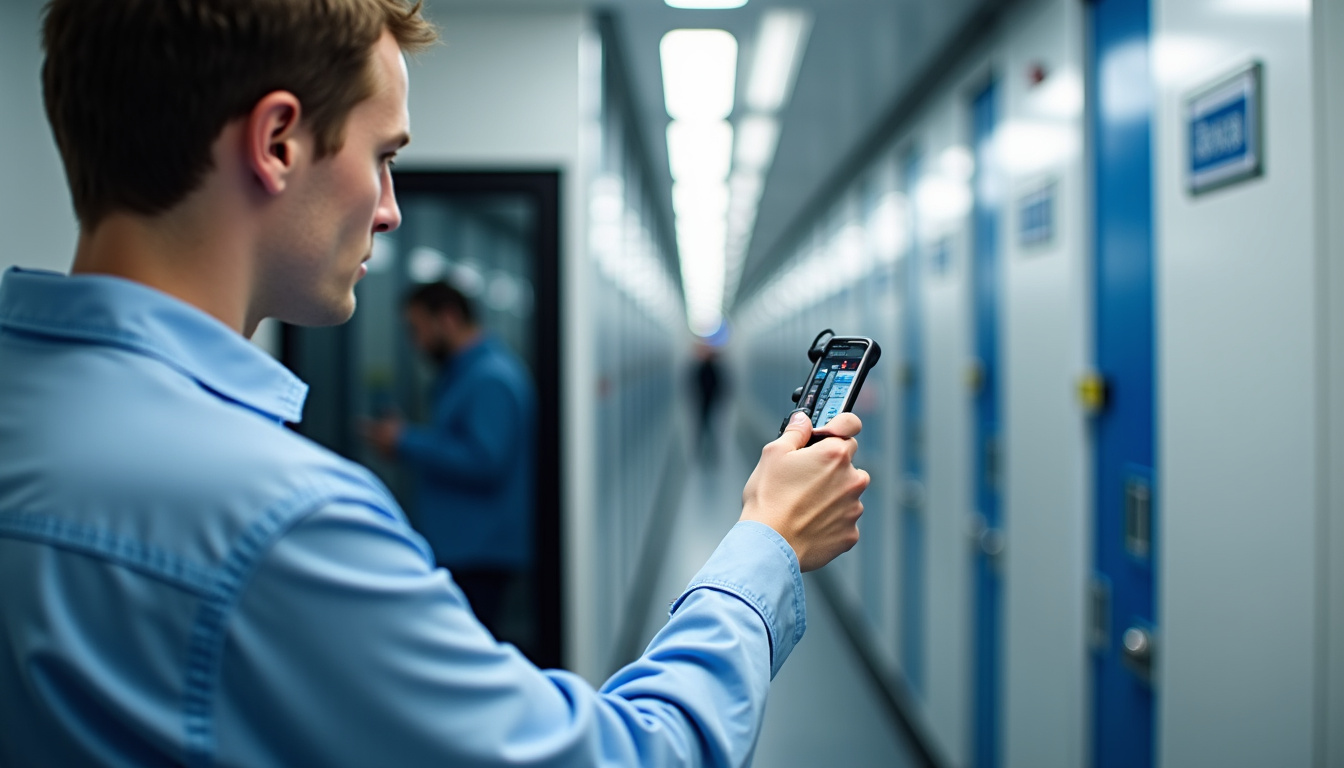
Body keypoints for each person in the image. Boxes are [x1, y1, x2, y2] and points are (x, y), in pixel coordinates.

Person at [0, 1, 869, 765]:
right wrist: (768, 543)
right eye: (382, 156)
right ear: (277, 143)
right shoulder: (276, 523)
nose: (389, 209)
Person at [364, 281, 536, 639]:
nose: (416, 343)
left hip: (478, 554)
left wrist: (405, 441)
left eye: (417, 329)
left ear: (448, 318)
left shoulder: (490, 378)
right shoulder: (468, 373)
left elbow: (485, 461)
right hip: (466, 548)